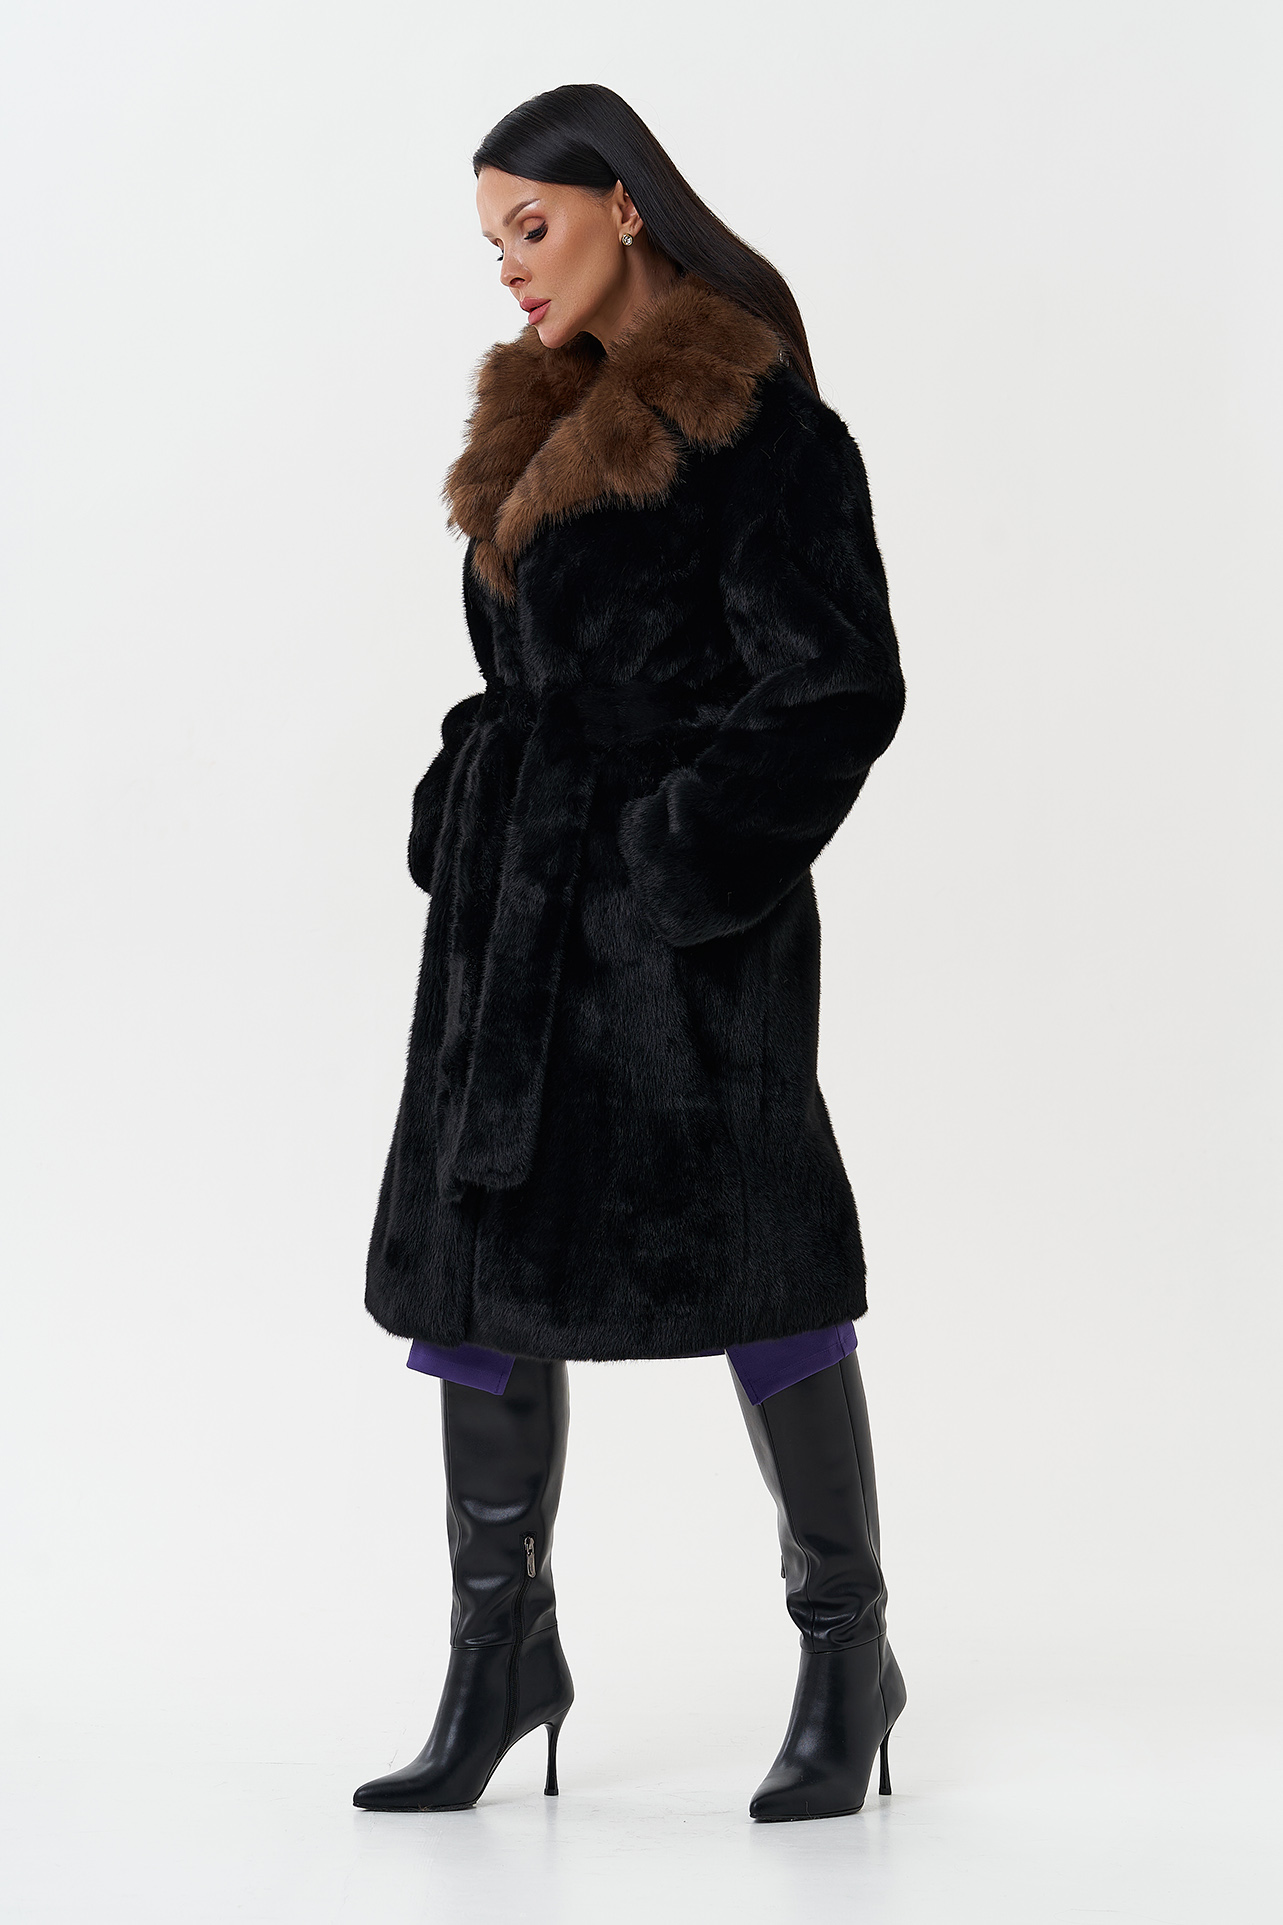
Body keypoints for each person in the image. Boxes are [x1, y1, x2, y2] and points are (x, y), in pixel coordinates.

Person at [354, 83, 908, 1823]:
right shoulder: (538, 424)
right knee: (478, 1282)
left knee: (763, 1270)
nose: (512, 268)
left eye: (533, 226)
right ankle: (499, 1655)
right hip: (513, 933)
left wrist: (682, 862)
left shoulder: (765, 432)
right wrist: (467, 794)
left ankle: (847, 1649)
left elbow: (837, 686)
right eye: (492, 240)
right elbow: (527, 679)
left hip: (683, 948)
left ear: (628, 207)